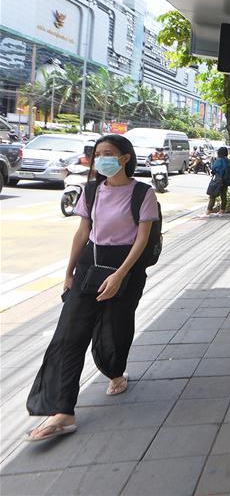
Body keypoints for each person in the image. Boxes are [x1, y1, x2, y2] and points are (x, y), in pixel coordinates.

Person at [25, 134, 159, 441]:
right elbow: (82, 232)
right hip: (90, 264)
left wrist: (120, 275)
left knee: (114, 329)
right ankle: (62, 412)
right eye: (98, 154)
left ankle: (115, 372)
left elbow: (141, 239)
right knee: (69, 336)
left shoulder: (143, 193)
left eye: (108, 153)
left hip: (126, 267)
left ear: (125, 158)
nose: (101, 159)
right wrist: (69, 272)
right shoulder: (91, 190)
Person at [205, 147, 230, 216]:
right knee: (223, 195)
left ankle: (208, 211)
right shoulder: (229, 161)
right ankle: (222, 211)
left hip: (218, 179)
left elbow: (213, 169)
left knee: (212, 195)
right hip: (226, 180)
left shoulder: (218, 160)